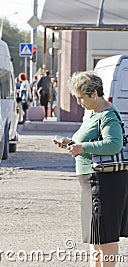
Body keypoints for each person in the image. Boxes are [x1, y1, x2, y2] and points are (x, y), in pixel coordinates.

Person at [54, 71, 128, 267]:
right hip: (93, 183)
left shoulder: (108, 115)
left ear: (94, 93)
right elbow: (88, 141)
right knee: (95, 237)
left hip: (104, 182)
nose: (79, 102)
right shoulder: (93, 114)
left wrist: (82, 147)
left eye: (81, 97)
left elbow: (114, 144)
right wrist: (70, 144)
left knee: (106, 237)